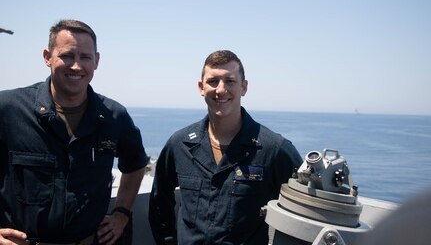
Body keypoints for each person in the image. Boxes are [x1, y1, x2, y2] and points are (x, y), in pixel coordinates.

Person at [0, 19, 149, 245]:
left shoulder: (113, 116)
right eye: (67, 56)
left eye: (85, 57)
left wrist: (121, 214)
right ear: (47, 57)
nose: (76, 66)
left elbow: (136, 164)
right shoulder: (9, 109)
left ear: (96, 61)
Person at [149, 50, 303, 244]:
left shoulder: (273, 149)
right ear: (201, 87)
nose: (220, 89)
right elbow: (159, 201)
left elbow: (305, 210)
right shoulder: (180, 144)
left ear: (244, 87)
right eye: (213, 81)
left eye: (230, 81)